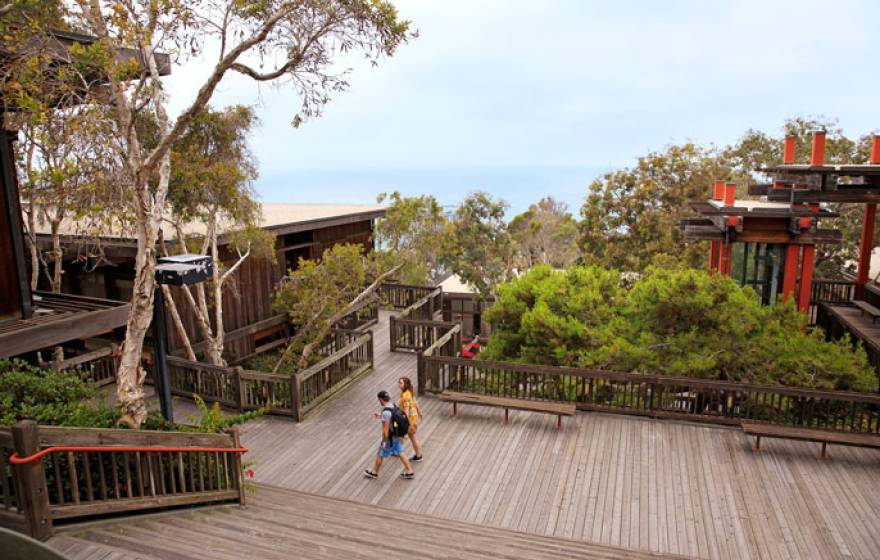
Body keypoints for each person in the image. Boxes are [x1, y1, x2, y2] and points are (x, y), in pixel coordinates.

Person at [364, 390, 414, 480]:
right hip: (397, 434)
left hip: (390, 438)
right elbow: (392, 417)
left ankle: (374, 472)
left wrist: (383, 443)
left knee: (380, 453)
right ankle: (409, 471)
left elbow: (385, 431)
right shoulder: (392, 405)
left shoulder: (386, 412)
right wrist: (381, 415)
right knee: (400, 452)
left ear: (380, 399)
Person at [398, 377, 424, 462]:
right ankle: (398, 450)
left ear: (405, 384)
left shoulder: (405, 395)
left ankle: (419, 455)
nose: (399, 384)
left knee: (412, 437)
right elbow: (415, 402)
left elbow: (406, 410)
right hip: (413, 417)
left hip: (409, 419)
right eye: (399, 382)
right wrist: (420, 412)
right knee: (401, 434)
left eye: (401, 383)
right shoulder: (409, 392)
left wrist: (408, 423)